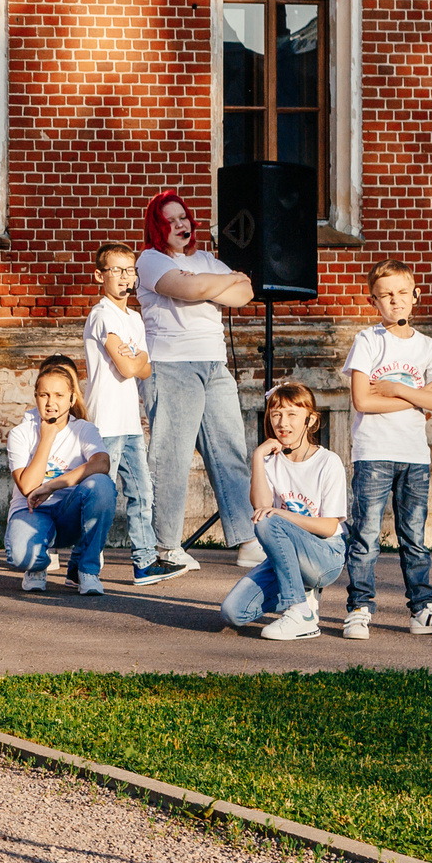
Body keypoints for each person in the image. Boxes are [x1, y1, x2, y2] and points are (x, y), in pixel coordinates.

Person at [134, 189, 261, 577]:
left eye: (184, 218)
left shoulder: (204, 259)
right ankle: (165, 546)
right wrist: (222, 281)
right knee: (171, 457)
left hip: (215, 365)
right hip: (171, 366)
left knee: (230, 451)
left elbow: (246, 293)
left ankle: (247, 540)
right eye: (170, 221)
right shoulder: (150, 260)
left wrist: (211, 282)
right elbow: (190, 290)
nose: (181, 225)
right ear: (158, 227)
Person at [343, 258, 432, 639]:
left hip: (415, 455)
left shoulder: (427, 347)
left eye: (401, 293)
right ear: (373, 302)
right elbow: (363, 401)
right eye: (385, 296)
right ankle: (359, 608)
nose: (395, 301)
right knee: (365, 536)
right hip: (373, 452)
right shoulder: (368, 341)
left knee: (414, 537)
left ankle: (422, 608)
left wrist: (397, 389)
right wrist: (418, 397)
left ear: (416, 296)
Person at [220, 380, 349, 641]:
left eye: (292, 414)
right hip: (285, 556)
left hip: (325, 556)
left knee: (269, 521)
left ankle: (300, 612)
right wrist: (258, 456)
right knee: (233, 612)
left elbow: (329, 526)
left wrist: (282, 514)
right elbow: (260, 506)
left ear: (310, 421)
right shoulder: (269, 462)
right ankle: (302, 592)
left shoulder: (328, 462)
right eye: (276, 414)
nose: (283, 423)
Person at [84, 242, 173, 586]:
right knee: (102, 497)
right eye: (117, 271)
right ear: (99, 275)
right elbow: (125, 365)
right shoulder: (102, 314)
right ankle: (86, 561)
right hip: (104, 420)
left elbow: (145, 369)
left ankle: (145, 562)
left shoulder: (133, 318)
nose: (125, 278)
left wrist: (134, 359)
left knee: (142, 494)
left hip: (130, 422)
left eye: (130, 270)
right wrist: (134, 359)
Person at [6, 359, 117, 594]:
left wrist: (52, 486)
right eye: (44, 395)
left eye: (58, 395)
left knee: (102, 485)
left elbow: (102, 463)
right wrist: (47, 437)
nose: (50, 403)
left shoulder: (84, 430)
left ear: (71, 399)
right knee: (21, 557)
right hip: (33, 513)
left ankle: (86, 571)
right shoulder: (20, 434)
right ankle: (37, 565)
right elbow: (28, 486)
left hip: (70, 514)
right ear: (35, 397)